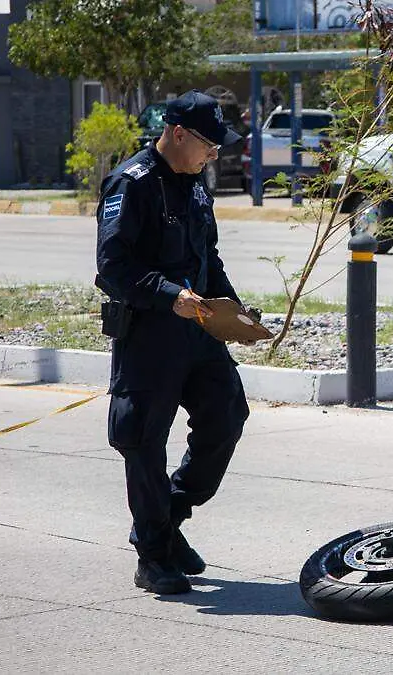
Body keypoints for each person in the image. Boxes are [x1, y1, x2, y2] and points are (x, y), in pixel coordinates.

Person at [95, 90, 251, 595]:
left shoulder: (196, 185)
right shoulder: (132, 183)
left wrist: (234, 311)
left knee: (226, 416)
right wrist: (168, 296)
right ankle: (153, 554)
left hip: (199, 330)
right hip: (150, 333)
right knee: (141, 440)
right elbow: (113, 269)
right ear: (178, 133)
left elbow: (210, 258)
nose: (216, 155)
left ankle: (170, 515)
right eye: (209, 144)